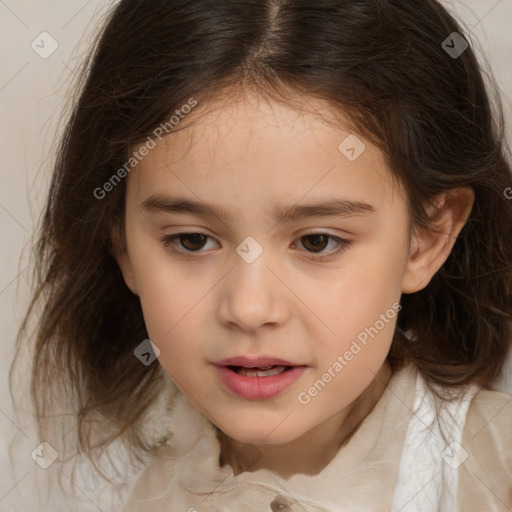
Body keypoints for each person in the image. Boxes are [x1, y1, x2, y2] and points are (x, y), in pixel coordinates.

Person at [12, 0, 512, 510]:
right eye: (192, 240)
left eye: (317, 241)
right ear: (122, 242)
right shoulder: (69, 473)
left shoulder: (494, 478)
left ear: (427, 237)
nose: (250, 309)